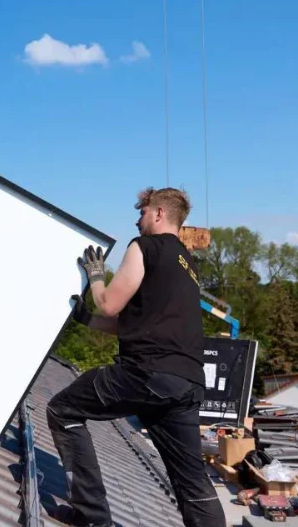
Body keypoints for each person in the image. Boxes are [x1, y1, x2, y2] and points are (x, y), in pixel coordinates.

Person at [47, 187, 225, 527]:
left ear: (158, 213)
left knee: (62, 410)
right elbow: (136, 325)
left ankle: (92, 519)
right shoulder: (188, 265)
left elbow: (110, 304)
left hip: (147, 374)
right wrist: (86, 320)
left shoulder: (144, 246)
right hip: (184, 384)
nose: (137, 219)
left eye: (142, 212)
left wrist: (96, 278)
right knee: (193, 483)